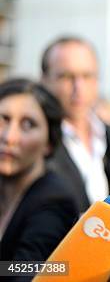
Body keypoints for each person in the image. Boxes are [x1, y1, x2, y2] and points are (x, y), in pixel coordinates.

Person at [41, 36, 110, 213]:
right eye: (66, 77)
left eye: (87, 76)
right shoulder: (40, 140)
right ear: (45, 80)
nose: (78, 88)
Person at [0, 78, 79, 272]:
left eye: (28, 124)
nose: (9, 137)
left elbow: (26, 270)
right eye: (3, 120)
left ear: (49, 142)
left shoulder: (55, 201)